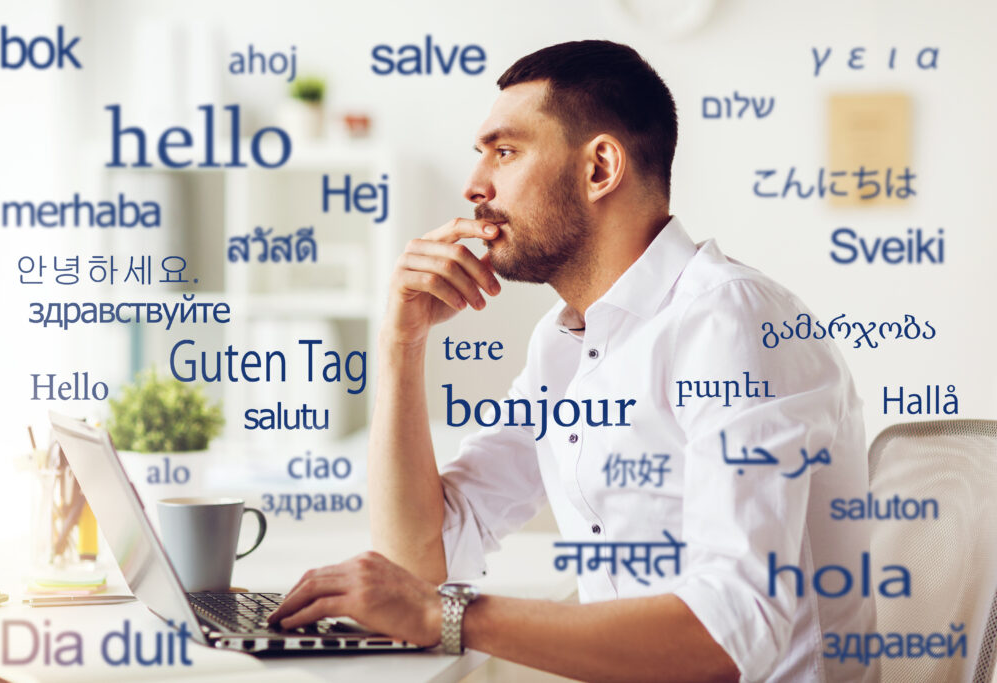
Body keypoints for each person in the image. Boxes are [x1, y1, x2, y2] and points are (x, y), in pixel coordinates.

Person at [269, 40, 876, 682]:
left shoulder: (732, 321)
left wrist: (449, 616)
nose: (475, 186)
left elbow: (728, 634)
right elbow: (421, 564)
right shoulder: (563, 346)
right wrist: (400, 342)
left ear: (599, 168)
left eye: (505, 151)